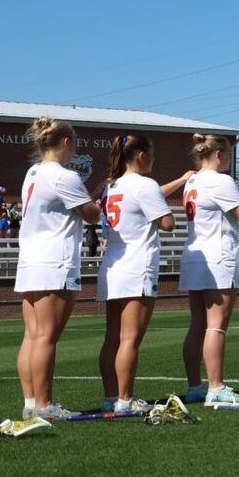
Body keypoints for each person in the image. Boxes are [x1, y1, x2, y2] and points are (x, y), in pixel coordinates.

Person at [14, 117, 102, 420]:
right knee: (46, 337)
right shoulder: (65, 176)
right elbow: (91, 214)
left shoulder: (33, 172)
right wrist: (98, 200)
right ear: (66, 142)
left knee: (32, 335)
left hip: (31, 260)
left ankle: (31, 403)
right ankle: (44, 404)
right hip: (55, 261)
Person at [97, 133, 186, 413]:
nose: (154, 159)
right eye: (152, 154)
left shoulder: (109, 186)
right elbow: (167, 222)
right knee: (129, 339)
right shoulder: (145, 185)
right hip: (137, 266)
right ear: (140, 155)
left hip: (112, 265)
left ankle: (112, 396)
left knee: (112, 337)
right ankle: (126, 399)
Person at [180, 133, 239, 406]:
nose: (230, 161)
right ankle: (216, 387)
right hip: (218, 256)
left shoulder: (193, 180)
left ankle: (195, 385)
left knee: (197, 325)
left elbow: (227, 203)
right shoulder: (221, 180)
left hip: (194, 254)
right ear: (219, 154)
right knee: (216, 326)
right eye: (229, 155)